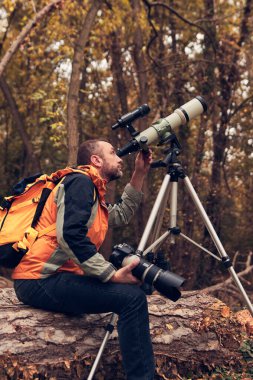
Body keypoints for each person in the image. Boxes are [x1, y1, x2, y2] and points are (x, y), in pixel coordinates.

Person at [12, 139, 155, 380]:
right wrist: (111, 274)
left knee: (133, 293)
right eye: (112, 152)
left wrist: (139, 174)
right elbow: (70, 235)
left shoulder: (91, 193)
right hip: (39, 278)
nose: (119, 158)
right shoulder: (80, 182)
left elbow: (120, 214)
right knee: (132, 300)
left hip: (53, 277)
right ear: (96, 160)